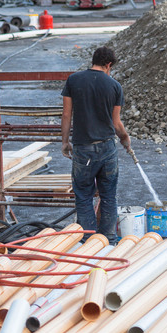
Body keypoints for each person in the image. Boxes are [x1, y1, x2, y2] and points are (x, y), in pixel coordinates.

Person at [60, 46, 131, 244]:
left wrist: (65, 142)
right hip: (107, 147)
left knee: (83, 195)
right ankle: (108, 241)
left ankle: (87, 241)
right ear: (108, 64)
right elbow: (116, 123)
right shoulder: (114, 86)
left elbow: (66, 114)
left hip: (83, 148)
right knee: (109, 195)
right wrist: (125, 138)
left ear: (94, 60)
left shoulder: (73, 80)